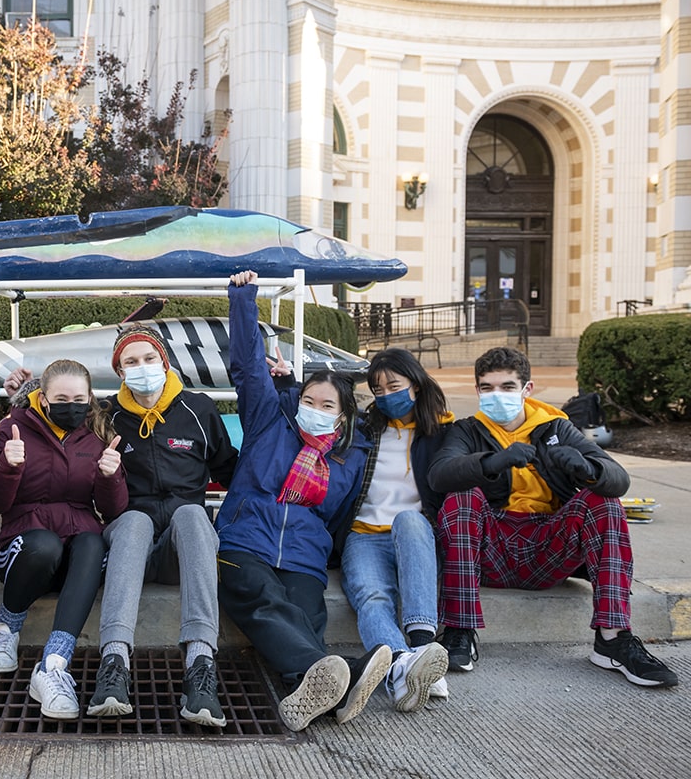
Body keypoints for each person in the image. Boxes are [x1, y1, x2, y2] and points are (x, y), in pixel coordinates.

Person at [428, 346, 678, 688]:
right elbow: (439, 474)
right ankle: (458, 630)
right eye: (486, 388)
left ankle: (613, 639)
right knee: (461, 496)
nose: (496, 395)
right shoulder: (467, 431)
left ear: (527, 389)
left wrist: (588, 468)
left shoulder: (556, 427)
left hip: (546, 548)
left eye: (507, 387)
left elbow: (617, 479)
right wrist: (492, 462)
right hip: (491, 550)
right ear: (477, 391)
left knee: (603, 501)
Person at [216, 270, 386, 733]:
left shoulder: (351, 458)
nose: (315, 407)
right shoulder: (270, 419)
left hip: (305, 554)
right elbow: (249, 365)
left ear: (343, 414)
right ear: (296, 399)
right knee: (260, 597)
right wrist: (242, 297)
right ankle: (347, 674)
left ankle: (318, 692)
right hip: (244, 540)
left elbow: (340, 517)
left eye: (327, 404)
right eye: (309, 398)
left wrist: (324, 553)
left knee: (307, 614)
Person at [85, 324, 238, 727]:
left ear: (164, 362)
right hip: (131, 542)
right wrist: (21, 390)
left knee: (193, 513)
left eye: (149, 358)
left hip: (181, 546)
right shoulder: (106, 415)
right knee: (133, 520)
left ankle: (200, 665)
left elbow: (231, 468)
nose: (142, 368)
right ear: (120, 371)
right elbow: (52, 409)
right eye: (131, 362)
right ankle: (114, 663)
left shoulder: (198, 409)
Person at [0, 359, 127, 720]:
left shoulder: (97, 437)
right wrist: (7, 468)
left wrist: (111, 477)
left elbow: (113, 511)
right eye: (61, 398)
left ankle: (53, 664)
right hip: (25, 547)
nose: (71, 405)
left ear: (90, 397)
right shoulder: (13, 429)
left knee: (94, 543)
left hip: (77, 548)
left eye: (79, 398)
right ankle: (6, 628)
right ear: (43, 399)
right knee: (44, 544)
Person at [332, 348, 452, 713]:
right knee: (372, 597)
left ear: (415, 384)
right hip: (363, 534)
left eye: (393, 386)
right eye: (378, 389)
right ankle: (403, 667)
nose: (385, 396)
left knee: (409, 519)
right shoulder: (365, 430)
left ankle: (421, 643)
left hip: (411, 536)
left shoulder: (444, 432)